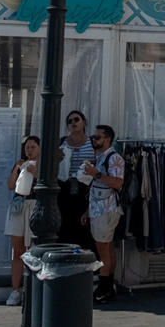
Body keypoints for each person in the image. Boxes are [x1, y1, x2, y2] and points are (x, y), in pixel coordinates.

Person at [80, 124, 125, 305]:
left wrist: (96, 174)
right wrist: (88, 210)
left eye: (97, 137)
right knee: (107, 249)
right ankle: (108, 287)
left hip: (106, 210)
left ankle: (103, 289)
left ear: (107, 139)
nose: (93, 140)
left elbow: (117, 183)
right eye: (93, 137)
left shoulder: (114, 159)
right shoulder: (102, 157)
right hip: (99, 208)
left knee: (103, 250)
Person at [5, 135, 39, 306]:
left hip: (34, 205)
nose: (30, 150)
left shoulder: (41, 165)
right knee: (17, 250)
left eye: (33, 147)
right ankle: (15, 290)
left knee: (32, 249)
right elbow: (10, 186)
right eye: (27, 147)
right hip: (19, 205)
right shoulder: (21, 164)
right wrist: (17, 169)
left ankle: (31, 289)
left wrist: (37, 175)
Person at [56, 110, 90, 248]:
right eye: (70, 121)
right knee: (64, 224)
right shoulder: (62, 142)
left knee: (83, 226)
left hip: (85, 188)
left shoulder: (91, 142)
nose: (73, 123)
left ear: (84, 122)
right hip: (65, 187)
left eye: (76, 119)